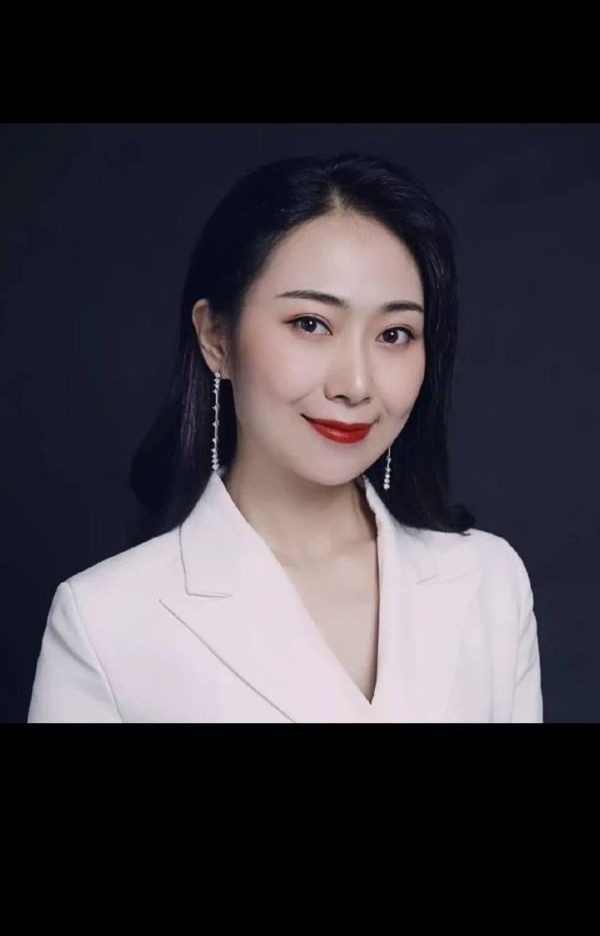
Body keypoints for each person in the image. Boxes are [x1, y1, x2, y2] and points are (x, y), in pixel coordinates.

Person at [27, 151, 543, 722]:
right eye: (310, 324)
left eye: (394, 334)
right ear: (216, 338)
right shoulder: (105, 622)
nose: (355, 385)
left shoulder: (490, 580)